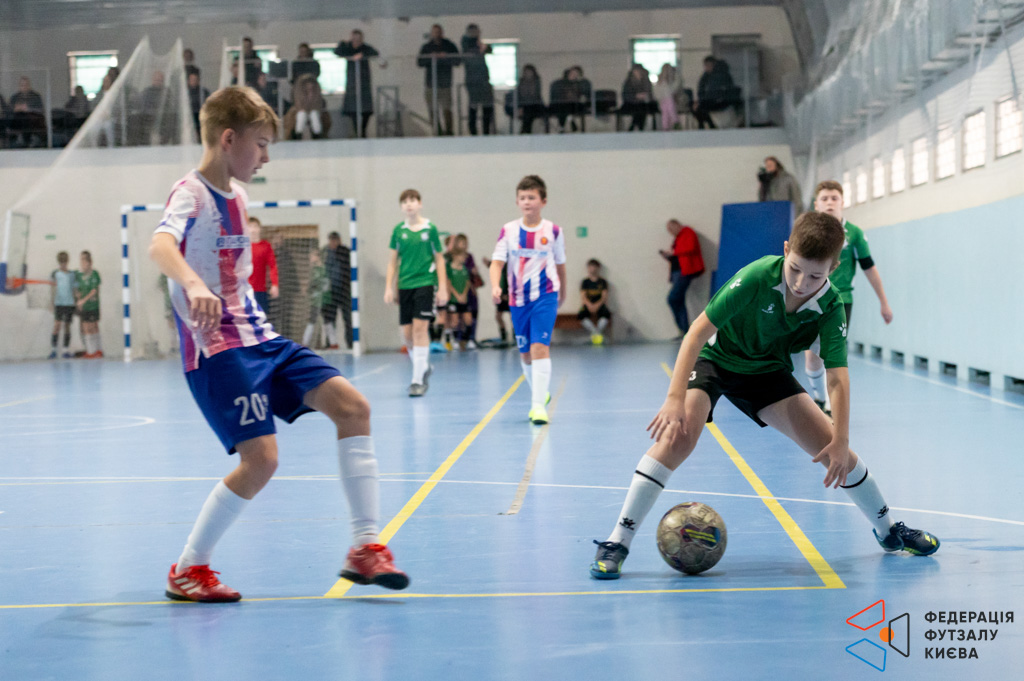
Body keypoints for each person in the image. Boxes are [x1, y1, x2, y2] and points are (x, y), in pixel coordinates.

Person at [149, 85, 408, 602]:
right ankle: (188, 568)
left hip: (261, 338)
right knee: (262, 460)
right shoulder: (190, 194)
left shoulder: (240, 198)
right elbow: (160, 245)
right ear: (228, 139)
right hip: (218, 349)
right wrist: (194, 285)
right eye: (261, 144)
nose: (266, 157)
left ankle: (365, 547)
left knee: (353, 408)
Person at [589, 211, 939, 581]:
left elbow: (837, 378)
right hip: (716, 359)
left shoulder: (831, 306)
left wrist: (841, 438)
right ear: (786, 250)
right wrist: (675, 397)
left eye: (815, 276)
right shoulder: (757, 276)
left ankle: (889, 531)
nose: (802, 283)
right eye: (795, 269)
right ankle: (617, 541)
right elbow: (696, 332)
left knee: (833, 449)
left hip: (766, 372)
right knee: (679, 437)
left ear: (833, 268)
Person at [803, 181, 893, 415]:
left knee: (832, 353)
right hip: (810, 300)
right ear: (816, 204)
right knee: (812, 357)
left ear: (842, 202)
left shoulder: (854, 234)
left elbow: (869, 268)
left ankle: (831, 406)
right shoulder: (806, 232)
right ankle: (819, 398)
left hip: (840, 301)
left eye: (834, 198)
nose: (829, 203)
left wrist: (883, 302)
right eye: (824, 199)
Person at [489, 175, 566, 424]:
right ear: (517, 202)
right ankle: (540, 393)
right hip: (518, 299)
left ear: (543, 201)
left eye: (531, 197)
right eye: (522, 198)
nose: (527, 202)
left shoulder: (553, 231)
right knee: (525, 354)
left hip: (545, 295)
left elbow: (560, 264)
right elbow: (497, 263)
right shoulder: (509, 231)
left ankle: (537, 407)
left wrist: (562, 291)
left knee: (539, 347)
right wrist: (495, 285)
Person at [384, 189, 449, 396]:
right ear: (401, 207)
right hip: (405, 285)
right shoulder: (398, 231)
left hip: (425, 283)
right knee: (407, 334)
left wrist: (443, 287)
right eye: (405, 201)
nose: (409, 204)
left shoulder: (430, 229)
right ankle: (423, 367)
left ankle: (417, 380)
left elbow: (439, 258)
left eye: (412, 200)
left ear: (420, 204)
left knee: (420, 329)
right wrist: (389, 287)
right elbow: (393, 262)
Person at [659, 219, 704, 337]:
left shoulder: (688, 232)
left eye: (671, 229)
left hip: (684, 272)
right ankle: (684, 330)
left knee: (672, 299)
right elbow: (678, 254)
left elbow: (690, 248)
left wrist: (673, 252)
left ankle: (684, 329)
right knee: (679, 300)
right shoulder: (678, 238)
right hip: (677, 272)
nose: (670, 232)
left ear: (677, 225)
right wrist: (668, 255)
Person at [335, 30, 381, 138]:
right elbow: (337, 51)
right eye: (354, 39)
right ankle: (357, 133)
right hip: (352, 85)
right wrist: (343, 44)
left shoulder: (365, 48)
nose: (356, 41)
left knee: (365, 110)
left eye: (358, 39)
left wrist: (362, 55)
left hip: (364, 84)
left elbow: (375, 53)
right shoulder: (348, 48)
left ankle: (363, 132)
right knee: (353, 111)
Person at [417, 24, 460, 136]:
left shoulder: (449, 45)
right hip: (431, 84)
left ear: (442, 33)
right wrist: (431, 57)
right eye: (434, 32)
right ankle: (437, 133)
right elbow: (420, 62)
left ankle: (449, 132)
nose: (437, 34)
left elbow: (457, 61)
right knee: (432, 110)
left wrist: (446, 57)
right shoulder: (427, 47)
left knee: (447, 109)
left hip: (445, 84)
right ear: (431, 33)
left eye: (438, 32)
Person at [450, 233, 483, 349]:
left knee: (471, 314)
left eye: (465, 243)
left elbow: (470, 276)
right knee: (455, 317)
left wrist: (475, 272)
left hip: (467, 291)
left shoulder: (469, 257)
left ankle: (471, 338)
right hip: (455, 292)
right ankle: (457, 339)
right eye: (461, 242)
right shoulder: (451, 257)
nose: (464, 245)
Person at [461, 24, 494, 136]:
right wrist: (479, 49)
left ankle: (486, 131)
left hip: (484, 80)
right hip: (473, 82)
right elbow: (467, 54)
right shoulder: (466, 42)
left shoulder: (479, 43)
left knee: (487, 106)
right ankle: (473, 132)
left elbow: (489, 49)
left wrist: (483, 47)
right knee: (473, 106)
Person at [321, 231, 352, 350]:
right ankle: (330, 342)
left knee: (348, 318)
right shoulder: (325, 252)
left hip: (344, 290)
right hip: (330, 291)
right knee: (329, 318)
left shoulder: (344, 252)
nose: (333, 242)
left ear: (339, 240)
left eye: (335, 240)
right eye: (331, 240)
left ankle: (351, 343)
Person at [692, 56, 737, 129]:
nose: (707, 67)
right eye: (706, 65)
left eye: (709, 65)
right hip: (711, 100)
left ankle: (711, 126)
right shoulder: (706, 76)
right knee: (695, 107)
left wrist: (702, 101)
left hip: (721, 102)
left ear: (714, 65)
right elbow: (701, 90)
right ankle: (707, 125)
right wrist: (700, 101)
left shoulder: (720, 75)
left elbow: (714, 92)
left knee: (701, 108)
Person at [283, 73, 331, 140]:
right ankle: (298, 135)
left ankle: (317, 135)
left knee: (314, 116)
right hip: (300, 109)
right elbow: (298, 102)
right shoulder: (299, 93)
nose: (309, 85)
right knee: (301, 116)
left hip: (314, 109)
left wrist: (313, 108)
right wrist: (303, 108)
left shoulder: (316, 93)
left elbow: (318, 103)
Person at [246, 216, 279, 314]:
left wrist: (275, 284)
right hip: (245, 290)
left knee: (262, 316)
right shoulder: (243, 246)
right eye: (250, 226)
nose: (253, 230)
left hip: (260, 290)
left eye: (255, 226)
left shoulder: (266, 246)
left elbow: (273, 266)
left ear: (259, 229)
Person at [444, 249, 474, 351]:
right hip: (454, 299)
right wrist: (457, 295)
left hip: (464, 298)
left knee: (468, 319)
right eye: (462, 256)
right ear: (455, 256)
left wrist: (464, 294)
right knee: (454, 321)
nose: (464, 258)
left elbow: (468, 282)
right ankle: (456, 340)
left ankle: (467, 340)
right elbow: (448, 283)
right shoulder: (449, 268)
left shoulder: (464, 268)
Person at [75, 250, 102, 359]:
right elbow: (79, 290)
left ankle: (96, 351)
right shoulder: (80, 275)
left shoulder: (94, 274)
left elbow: (94, 291)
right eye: (81, 260)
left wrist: (83, 300)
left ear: (89, 262)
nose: (82, 263)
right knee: (85, 327)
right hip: (85, 307)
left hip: (93, 305)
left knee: (93, 326)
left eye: (84, 260)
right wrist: (78, 299)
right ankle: (91, 351)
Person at [49, 251, 76, 359]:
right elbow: (52, 289)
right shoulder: (55, 274)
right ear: (59, 262)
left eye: (65, 261)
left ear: (67, 261)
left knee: (67, 326)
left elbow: (74, 288)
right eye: (61, 262)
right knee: (57, 326)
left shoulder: (72, 274)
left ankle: (65, 350)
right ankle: (53, 350)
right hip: (59, 303)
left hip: (69, 303)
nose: (63, 264)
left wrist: (77, 300)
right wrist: (52, 303)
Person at [578, 259, 611, 345]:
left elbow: (604, 297)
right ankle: (595, 332)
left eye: (594, 266)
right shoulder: (585, 282)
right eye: (590, 266)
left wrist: (597, 305)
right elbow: (583, 296)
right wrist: (589, 305)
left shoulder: (603, 282)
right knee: (581, 314)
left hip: (599, 304)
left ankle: (597, 333)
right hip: (588, 304)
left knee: (606, 313)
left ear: (598, 268)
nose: (592, 268)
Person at [302, 249, 330, 348]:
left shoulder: (318, 270)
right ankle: (333, 343)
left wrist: (307, 288)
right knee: (326, 320)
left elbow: (314, 283)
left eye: (312, 256)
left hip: (319, 300)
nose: (310, 258)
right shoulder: (322, 269)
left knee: (315, 320)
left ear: (317, 257)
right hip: (322, 299)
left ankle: (305, 343)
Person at [514, 65, 546, 134]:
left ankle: (525, 131)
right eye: (526, 72)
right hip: (525, 106)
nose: (528, 73)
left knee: (529, 113)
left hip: (535, 105)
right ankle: (526, 131)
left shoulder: (537, 81)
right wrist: (520, 107)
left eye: (529, 72)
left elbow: (536, 95)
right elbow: (519, 96)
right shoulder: (521, 82)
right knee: (527, 113)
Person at [620, 64, 653, 131]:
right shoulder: (628, 82)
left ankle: (636, 126)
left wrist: (644, 96)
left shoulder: (645, 81)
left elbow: (649, 92)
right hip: (630, 103)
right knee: (639, 109)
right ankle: (635, 126)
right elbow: (626, 95)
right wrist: (636, 96)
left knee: (642, 108)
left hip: (643, 103)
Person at [653, 63, 683, 131]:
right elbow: (658, 93)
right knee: (665, 112)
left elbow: (674, 89)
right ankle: (668, 125)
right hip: (662, 100)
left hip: (671, 99)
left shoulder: (674, 79)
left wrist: (674, 76)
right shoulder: (660, 81)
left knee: (670, 108)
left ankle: (673, 123)